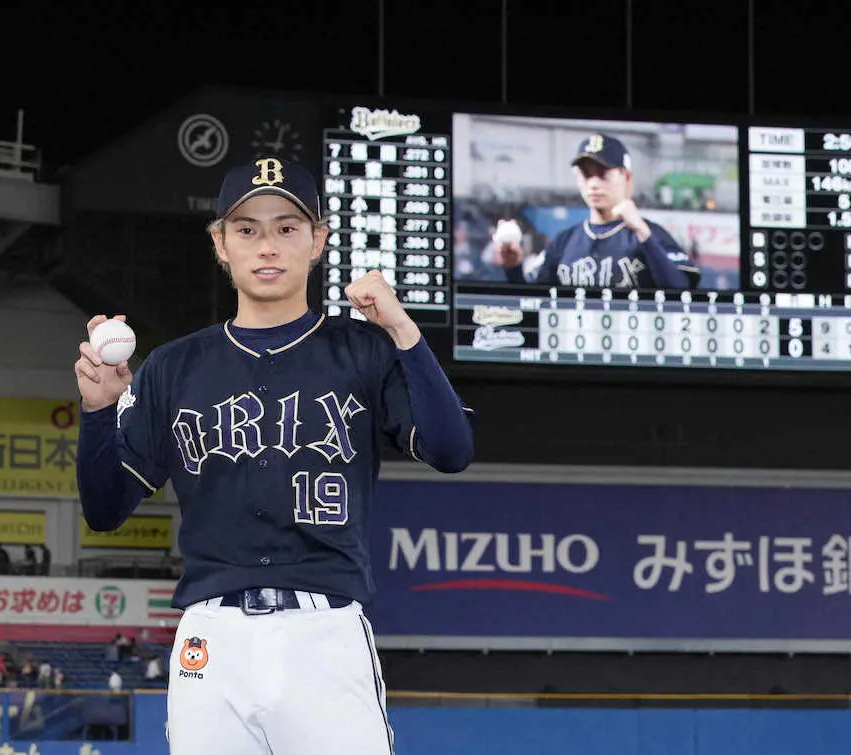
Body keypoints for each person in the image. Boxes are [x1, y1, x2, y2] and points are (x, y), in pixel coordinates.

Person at [73, 155, 474, 755]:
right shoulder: (173, 367)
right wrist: (101, 410)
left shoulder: (362, 351)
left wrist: (404, 333)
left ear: (317, 242)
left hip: (324, 630)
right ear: (220, 244)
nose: (267, 245)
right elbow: (104, 509)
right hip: (211, 639)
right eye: (247, 229)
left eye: (287, 228)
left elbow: (452, 450)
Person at [498, 133, 699, 290]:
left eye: (603, 174)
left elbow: (680, 289)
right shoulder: (564, 242)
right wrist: (513, 266)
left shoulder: (651, 234)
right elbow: (532, 302)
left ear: (626, 178)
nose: (593, 184)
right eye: (586, 175)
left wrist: (643, 234)